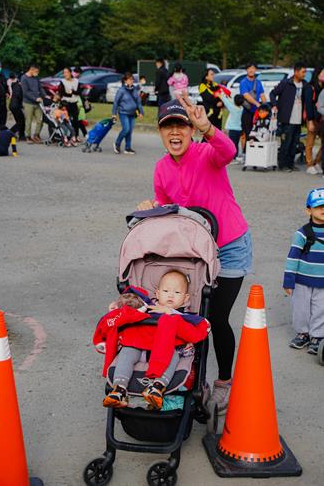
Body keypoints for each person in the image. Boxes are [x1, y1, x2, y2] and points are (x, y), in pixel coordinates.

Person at [137, 96, 252, 414]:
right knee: (191, 316)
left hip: (229, 244)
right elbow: (165, 209)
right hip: (195, 251)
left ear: (190, 130)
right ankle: (191, 380)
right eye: (168, 127)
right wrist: (151, 208)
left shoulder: (206, 153)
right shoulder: (161, 169)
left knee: (216, 316)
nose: (175, 132)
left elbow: (229, 152)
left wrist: (208, 128)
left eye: (181, 125)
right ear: (161, 133)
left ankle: (223, 383)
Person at [95, 271, 210, 410]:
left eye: (177, 292)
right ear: (157, 293)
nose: (171, 295)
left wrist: (170, 313)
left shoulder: (185, 316)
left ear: (186, 298)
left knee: (172, 355)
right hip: (140, 344)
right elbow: (126, 313)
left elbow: (197, 331)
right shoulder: (146, 307)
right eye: (166, 291)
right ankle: (119, 389)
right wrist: (116, 308)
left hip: (166, 349)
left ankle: (157, 387)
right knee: (127, 351)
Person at [283, 189, 324, 355]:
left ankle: (317, 336)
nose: (323, 210)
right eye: (318, 207)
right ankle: (302, 333)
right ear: (309, 210)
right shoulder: (302, 233)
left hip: (322, 282)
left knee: (320, 309)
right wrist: (288, 280)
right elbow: (293, 257)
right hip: (302, 281)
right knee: (300, 309)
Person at [270, 62, 313, 172]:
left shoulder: (305, 85)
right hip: (286, 119)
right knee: (286, 142)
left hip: (298, 120)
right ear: (296, 72)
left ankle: (290, 163)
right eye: (303, 72)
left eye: (305, 72)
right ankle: (282, 164)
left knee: (294, 143)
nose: (304, 74)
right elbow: (273, 93)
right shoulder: (286, 83)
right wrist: (275, 105)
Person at [112, 72, 143, 155]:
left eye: (132, 79)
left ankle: (127, 148)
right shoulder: (121, 90)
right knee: (126, 129)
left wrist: (141, 112)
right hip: (123, 112)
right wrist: (114, 114)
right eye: (130, 79)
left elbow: (138, 102)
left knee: (129, 131)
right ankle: (117, 144)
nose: (132, 81)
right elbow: (116, 102)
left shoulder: (134, 90)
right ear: (125, 81)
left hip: (132, 113)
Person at [240, 62, 266, 142]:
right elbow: (246, 95)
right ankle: (245, 152)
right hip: (247, 111)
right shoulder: (243, 82)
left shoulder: (258, 82)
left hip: (257, 112)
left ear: (255, 70)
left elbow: (262, 95)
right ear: (246, 70)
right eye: (249, 68)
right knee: (247, 133)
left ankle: (255, 152)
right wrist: (257, 103)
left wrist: (266, 106)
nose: (251, 70)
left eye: (253, 68)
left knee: (257, 133)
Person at [305, 67, 324, 175]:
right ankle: (309, 164)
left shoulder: (322, 87)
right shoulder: (310, 88)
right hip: (312, 118)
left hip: (321, 119)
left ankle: (317, 161)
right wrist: (310, 120)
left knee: (322, 143)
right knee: (310, 142)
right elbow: (308, 105)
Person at [21, 63, 46, 144]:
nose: (37, 73)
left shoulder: (36, 77)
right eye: (36, 71)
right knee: (29, 120)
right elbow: (25, 92)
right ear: (31, 69)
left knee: (40, 120)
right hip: (28, 103)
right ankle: (28, 137)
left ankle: (36, 135)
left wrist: (45, 95)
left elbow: (40, 87)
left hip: (38, 103)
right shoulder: (24, 78)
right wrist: (35, 98)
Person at [218, 92, 244, 157]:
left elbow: (227, 103)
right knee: (236, 143)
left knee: (232, 143)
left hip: (233, 129)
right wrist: (228, 97)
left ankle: (233, 155)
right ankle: (235, 155)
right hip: (238, 129)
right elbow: (232, 102)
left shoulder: (233, 109)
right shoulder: (241, 108)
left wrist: (221, 96)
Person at [59, 67, 81, 143]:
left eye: (66, 72)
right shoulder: (62, 81)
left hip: (74, 103)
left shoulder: (76, 81)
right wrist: (71, 93)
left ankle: (76, 136)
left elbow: (79, 92)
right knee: (65, 120)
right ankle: (66, 136)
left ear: (70, 73)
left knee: (75, 120)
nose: (65, 74)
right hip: (65, 103)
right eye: (64, 73)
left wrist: (71, 92)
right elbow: (62, 93)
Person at [8, 73, 25, 141]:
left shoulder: (14, 84)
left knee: (20, 120)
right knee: (21, 121)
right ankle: (10, 133)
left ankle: (21, 135)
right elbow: (18, 96)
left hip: (13, 105)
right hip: (15, 106)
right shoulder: (18, 86)